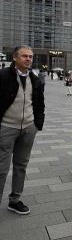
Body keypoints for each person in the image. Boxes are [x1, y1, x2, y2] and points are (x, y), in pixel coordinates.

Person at [0, 45, 45, 215]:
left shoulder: (35, 79)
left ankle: (15, 200)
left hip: (28, 128)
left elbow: (40, 103)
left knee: (21, 165)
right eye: (25, 56)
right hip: (6, 127)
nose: (28, 59)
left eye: (31, 57)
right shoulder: (3, 75)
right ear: (15, 58)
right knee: (1, 168)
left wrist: (36, 124)